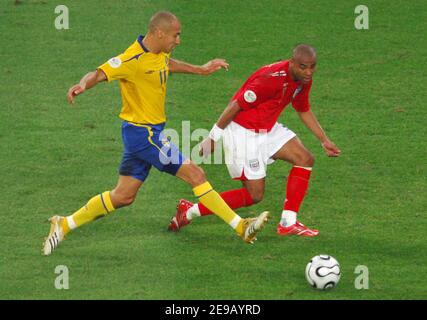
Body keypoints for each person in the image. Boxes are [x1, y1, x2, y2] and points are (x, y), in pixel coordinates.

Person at [42, 11, 270, 256]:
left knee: (123, 196)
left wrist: (201, 70)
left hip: (142, 133)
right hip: (144, 135)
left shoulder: (160, 53)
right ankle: (240, 226)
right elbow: (98, 73)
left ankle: (64, 223)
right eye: (176, 35)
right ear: (159, 33)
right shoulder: (131, 59)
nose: (178, 40)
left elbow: (166, 64)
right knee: (195, 173)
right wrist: (82, 85)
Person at [168, 44, 341, 237]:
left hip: (267, 127)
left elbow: (302, 108)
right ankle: (189, 211)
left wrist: (324, 140)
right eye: (303, 67)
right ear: (292, 63)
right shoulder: (268, 80)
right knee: (254, 195)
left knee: (305, 158)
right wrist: (212, 137)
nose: (308, 72)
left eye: (312, 66)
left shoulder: (303, 79)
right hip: (243, 132)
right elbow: (235, 105)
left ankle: (288, 223)